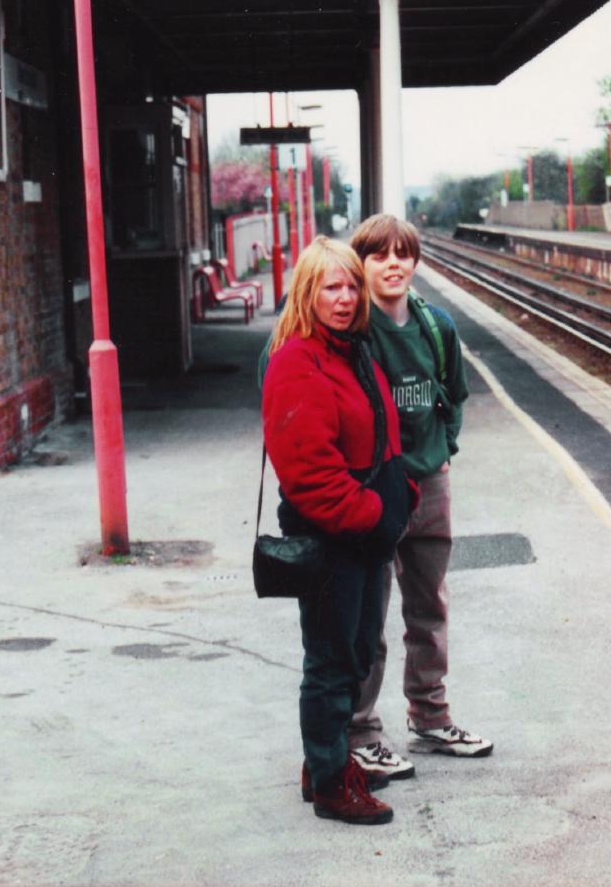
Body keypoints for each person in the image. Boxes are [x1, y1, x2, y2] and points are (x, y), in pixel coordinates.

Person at [261, 236, 417, 825]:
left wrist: (404, 494)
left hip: (365, 533)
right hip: (333, 537)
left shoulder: (352, 351)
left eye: (352, 285)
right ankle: (331, 783)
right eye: (332, 286)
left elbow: (380, 432)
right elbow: (309, 475)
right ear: (308, 291)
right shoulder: (297, 362)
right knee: (330, 660)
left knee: (354, 654)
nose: (346, 297)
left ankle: (319, 763)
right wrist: (378, 516)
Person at [346, 214, 492, 784]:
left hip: (430, 484)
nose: (392, 264)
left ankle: (430, 718)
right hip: (377, 489)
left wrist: (443, 446)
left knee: (428, 605)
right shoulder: (353, 328)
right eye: (379, 255)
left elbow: (454, 393)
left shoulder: (436, 326)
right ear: (362, 264)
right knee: (370, 612)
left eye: (402, 254)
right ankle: (361, 731)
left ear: (415, 261)